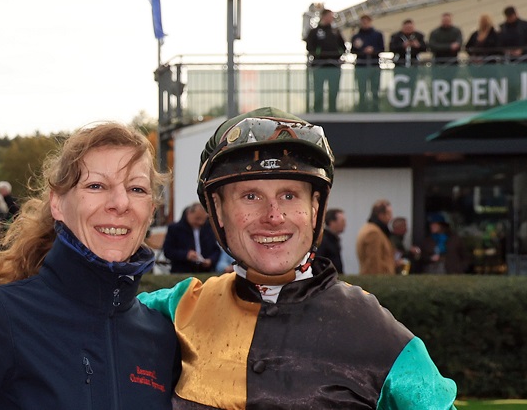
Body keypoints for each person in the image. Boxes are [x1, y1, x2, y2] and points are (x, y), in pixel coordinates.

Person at [137, 108, 456, 408]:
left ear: (315, 208)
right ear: (218, 210)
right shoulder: (178, 308)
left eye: (289, 195)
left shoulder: (381, 336)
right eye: (251, 196)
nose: (274, 216)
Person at [0, 123, 179, 408]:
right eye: (96, 185)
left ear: (151, 211)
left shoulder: (162, 337)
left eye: (137, 188)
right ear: (57, 203)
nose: (120, 203)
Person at [304, 9, 346, 113]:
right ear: (324, 16)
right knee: (318, 90)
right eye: (330, 16)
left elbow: (343, 47)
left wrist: (338, 56)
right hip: (319, 66)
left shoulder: (336, 31)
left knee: (334, 90)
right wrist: (319, 55)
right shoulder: (314, 31)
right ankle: (317, 111)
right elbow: (310, 47)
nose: (331, 19)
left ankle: (333, 110)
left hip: (334, 66)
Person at [163, 203, 220, 273]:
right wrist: (186, 255)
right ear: (189, 213)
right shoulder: (175, 229)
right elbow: (168, 251)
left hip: (205, 271)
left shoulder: (208, 229)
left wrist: (211, 260)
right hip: (182, 270)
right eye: (197, 218)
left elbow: (216, 250)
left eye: (203, 219)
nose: (200, 223)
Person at [350, 15, 384, 112]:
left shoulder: (377, 35)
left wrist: (373, 50)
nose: (364, 23)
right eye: (363, 21)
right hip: (361, 65)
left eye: (366, 21)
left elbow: (381, 48)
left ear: (370, 21)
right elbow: (353, 50)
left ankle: (375, 109)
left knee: (375, 88)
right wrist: (361, 50)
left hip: (374, 65)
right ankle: (361, 108)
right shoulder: (356, 36)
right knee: (362, 89)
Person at [357, 199, 398, 275]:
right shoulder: (373, 233)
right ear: (381, 215)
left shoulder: (372, 229)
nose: (391, 218)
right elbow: (373, 264)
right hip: (378, 281)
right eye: (389, 214)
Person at [316, 208, 347, 274]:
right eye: (342, 221)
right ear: (332, 222)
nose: (345, 224)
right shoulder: (323, 241)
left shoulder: (333, 239)